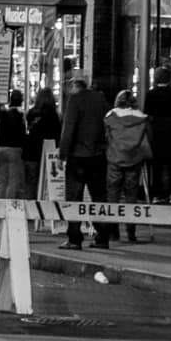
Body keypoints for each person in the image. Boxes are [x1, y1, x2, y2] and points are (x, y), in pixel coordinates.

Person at [58, 68, 110, 250]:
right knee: (99, 197)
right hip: (98, 156)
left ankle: (74, 238)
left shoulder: (75, 100)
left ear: (73, 85)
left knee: (74, 197)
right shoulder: (100, 99)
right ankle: (102, 237)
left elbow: (69, 129)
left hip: (78, 156)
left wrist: (62, 153)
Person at [105, 89, 152, 242]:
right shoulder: (142, 118)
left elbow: (106, 136)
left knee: (113, 194)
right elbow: (149, 138)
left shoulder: (111, 116)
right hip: (135, 159)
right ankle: (131, 232)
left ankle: (113, 232)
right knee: (131, 196)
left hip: (115, 158)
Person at [144, 66, 171, 202]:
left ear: (156, 79)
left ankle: (157, 194)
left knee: (157, 166)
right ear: (169, 79)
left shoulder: (150, 94)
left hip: (156, 134)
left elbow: (147, 115)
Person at [23, 86, 62, 199]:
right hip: (48, 153)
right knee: (48, 185)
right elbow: (57, 135)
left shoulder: (31, 113)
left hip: (31, 152)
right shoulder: (54, 115)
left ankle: (30, 207)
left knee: (31, 184)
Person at [0, 89, 27, 198]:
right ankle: (8, 205)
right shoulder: (19, 115)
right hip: (14, 149)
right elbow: (22, 134)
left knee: (2, 181)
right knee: (13, 181)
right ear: (21, 100)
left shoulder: (4, 114)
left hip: (0, 148)